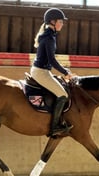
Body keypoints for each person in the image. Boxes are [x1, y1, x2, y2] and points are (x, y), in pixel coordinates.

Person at [30, 8, 76, 137]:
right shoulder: (49, 37)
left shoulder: (49, 35)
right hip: (41, 72)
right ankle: (54, 127)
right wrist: (65, 72)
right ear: (52, 21)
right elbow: (52, 60)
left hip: (42, 70)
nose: (62, 24)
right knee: (62, 95)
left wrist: (64, 71)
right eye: (60, 21)